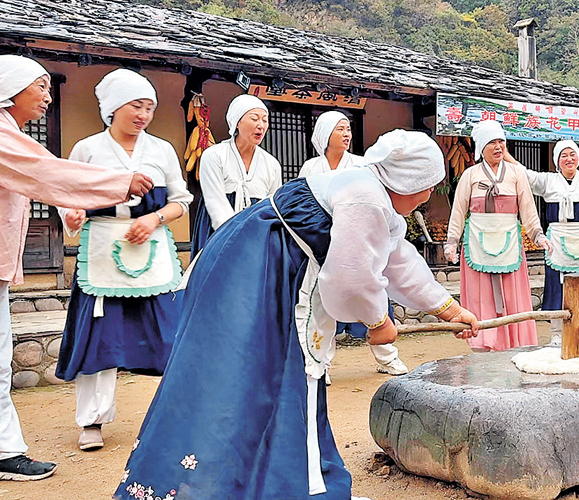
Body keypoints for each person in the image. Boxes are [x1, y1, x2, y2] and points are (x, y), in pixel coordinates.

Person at [113, 130, 480, 499]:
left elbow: (395, 256)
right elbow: (351, 276)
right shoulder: (365, 196)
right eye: (428, 186)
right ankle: (290, 485)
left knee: (259, 374)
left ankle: (276, 478)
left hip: (258, 268)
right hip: (262, 274)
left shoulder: (368, 188)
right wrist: (376, 321)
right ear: (407, 181)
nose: (428, 195)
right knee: (272, 373)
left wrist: (447, 308)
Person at [0, 55, 153, 480]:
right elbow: (47, 172)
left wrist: (73, 205)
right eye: (41, 86)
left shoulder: (10, 134)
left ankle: (5, 448)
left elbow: (43, 180)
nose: (49, 96)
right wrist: (117, 184)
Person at [54, 69, 193, 452]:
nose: (143, 114)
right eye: (136, 105)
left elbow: (181, 199)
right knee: (99, 337)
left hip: (151, 247)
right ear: (113, 108)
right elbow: (67, 196)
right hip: (101, 249)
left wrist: (154, 218)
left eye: (149, 106)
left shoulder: (161, 149)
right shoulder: (87, 148)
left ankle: (177, 414)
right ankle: (92, 421)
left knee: (169, 334)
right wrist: (74, 214)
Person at [298, 110, 408, 376]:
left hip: (358, 245)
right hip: (322, 245)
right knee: (319, 304)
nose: (347, 134)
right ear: (325, 135)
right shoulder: (310, 168)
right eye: (340, 129)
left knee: (372, 300)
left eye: (348, 129)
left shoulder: (360, 166)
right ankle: (319, 363)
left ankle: (387, 358)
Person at [445, 120, 553, 351]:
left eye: (501, 141)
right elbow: (458, 211)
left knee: (514, 296)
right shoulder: (470, 175)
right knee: (479, 296)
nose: (498, 147)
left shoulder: (516, 173)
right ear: (481, 147)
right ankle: (484, 341)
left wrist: (538, 236)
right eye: (492, 142)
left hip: (509, 244)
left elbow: (527, 209)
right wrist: (451, 242)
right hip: (477, 243)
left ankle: (517, 341)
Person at [502, 140, 579, 331]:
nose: (569, 159)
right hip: (557, 241)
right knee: (557, 287)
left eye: (572, 154)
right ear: (556, 160)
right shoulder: (548, 181)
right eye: (563, 155)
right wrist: (505, 153)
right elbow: (523, 173)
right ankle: (557, 334)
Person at [191, 94, 281, 257]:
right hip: (218, 231)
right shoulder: (214, 155)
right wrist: (235, 239)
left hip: (257, 236)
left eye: (265, 120)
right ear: (237, 122)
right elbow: (215, 202)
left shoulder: (271, 164)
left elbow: (273, 207)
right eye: (254, 119)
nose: (261, 125)